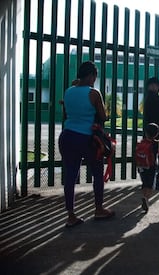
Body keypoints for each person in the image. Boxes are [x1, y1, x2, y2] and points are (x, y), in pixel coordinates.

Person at [58, 61, 114, 228]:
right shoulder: (94, 93)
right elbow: (103, 116)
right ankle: (98, 209)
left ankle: (71, 216)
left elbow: (66, 113)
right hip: (87, 139)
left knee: (70, 175)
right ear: (91, 76)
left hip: (67, 136)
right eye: (94, 77)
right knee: (97, 173)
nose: (94, 80)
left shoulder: (68, 91)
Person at [138, 122, 159, 213]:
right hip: (152, 167)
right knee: (150, 185)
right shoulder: (157, 143)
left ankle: (144, 196)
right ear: (157, 133)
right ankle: (146, 198)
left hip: (142, 167)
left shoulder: (141, 142)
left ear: (146, 133)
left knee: (144, 183)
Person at [144, 77, 159, 190]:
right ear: (152, 86)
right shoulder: (155, 99)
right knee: (156, 157)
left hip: (151, 131)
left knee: (153, 157)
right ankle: (154, 181)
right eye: (157, 86)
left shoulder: (149, 98)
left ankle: (155, 180)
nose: (158, 88)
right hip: (155, 132)